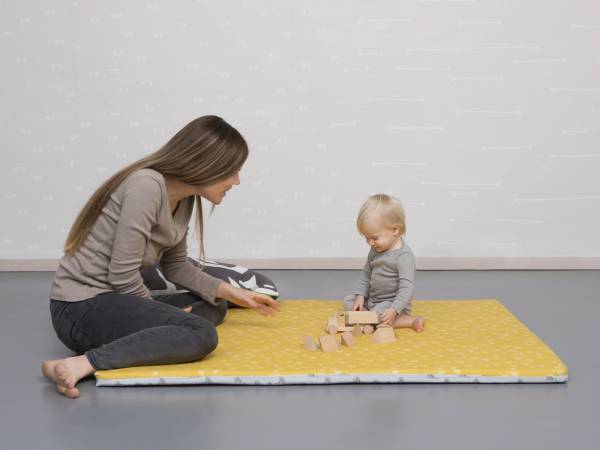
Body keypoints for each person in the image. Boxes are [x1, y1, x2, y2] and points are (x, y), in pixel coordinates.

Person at [41, 115, 280, 398]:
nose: (236, 181)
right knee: (201, 335)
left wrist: (235, 294)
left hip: (114, 298)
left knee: (214, 306)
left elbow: (176, 266)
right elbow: (122, 274)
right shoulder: (146, 186)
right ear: (208, 163)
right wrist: (161, 317)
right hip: (80, 308)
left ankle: (158, 334)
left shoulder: (185, 198)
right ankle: (82, 363)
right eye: (233, 171)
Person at [343, 194, 425, 332]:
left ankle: (410, 321)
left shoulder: (404, 256)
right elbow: (366, 274)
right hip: (373, 299)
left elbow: (406, 289)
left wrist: (394, 309)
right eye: (366, 238)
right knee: (348, 301)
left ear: (395, 230)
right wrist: (361, 297)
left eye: (374, 237)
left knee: (380, 314)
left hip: (392, 304)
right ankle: (367, 316)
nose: (370, 242)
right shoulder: (376, 249)